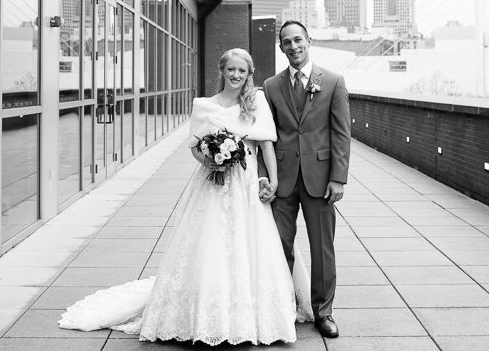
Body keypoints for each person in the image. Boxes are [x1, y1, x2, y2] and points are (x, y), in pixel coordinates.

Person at [59, 48, 312, 345]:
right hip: (212, 183)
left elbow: (267, 144)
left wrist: (273, 182)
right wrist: (211, 161)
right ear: (222, 70)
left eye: (241, 71)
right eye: (230, 69)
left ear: (248, 74)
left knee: (249, 244)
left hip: (246, 182)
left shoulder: (256, 101)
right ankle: (204, 313)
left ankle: (247, 315)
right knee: (210, 242)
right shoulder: (204, 105)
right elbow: (194, 147)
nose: (235, 75)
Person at [258, 20, 351, 338]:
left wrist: (338, 178)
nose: (293, 46)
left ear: (308, 41)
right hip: (281, 179)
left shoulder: (334, 81)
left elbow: (341, 134)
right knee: (278, 244)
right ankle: (283, 307)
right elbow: (264, 137)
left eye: (298, 40)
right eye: (287, 42)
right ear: (281, 47)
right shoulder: (271, 86)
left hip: (320, 178)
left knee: (323, 247)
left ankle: (324, 312)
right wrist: (263, 178)